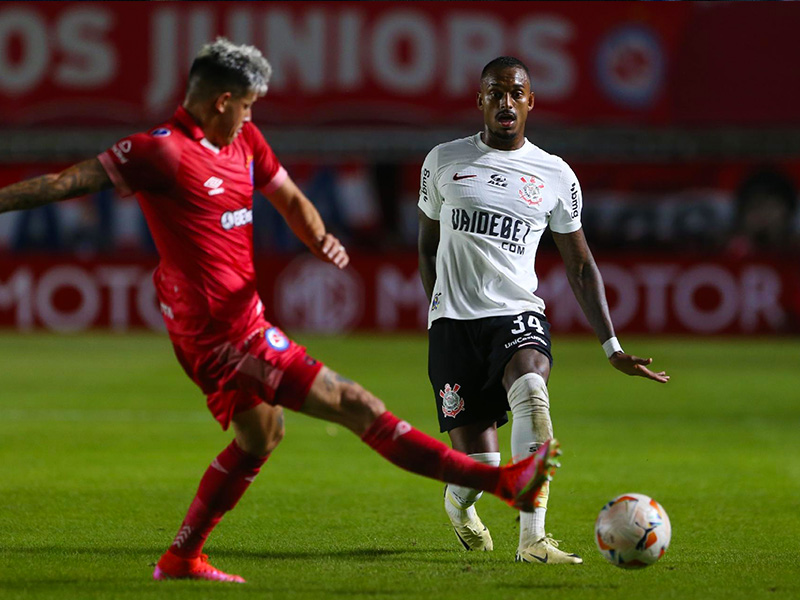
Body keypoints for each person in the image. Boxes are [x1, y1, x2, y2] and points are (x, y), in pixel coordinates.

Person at [0, 40, 561, 583]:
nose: (250, 118)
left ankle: (181, 559)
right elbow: (62, 182)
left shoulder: (242, 141)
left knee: (260, 435)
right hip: (218, 337)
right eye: (245, 107)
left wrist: (319, 237)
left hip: (246, 321)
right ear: (222, 101)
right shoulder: (160, 151)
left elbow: (288, 195)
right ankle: (505, 485)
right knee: (354, 404)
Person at [417, 56, 669, 565]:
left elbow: (580, 265)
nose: (505, 102)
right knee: (482, 464)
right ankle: (459, 505)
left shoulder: (555, 174)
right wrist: (440, 310)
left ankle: (532, 539)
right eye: (495, 93)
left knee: (533, 389)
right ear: (480, 100)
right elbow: (426, 246)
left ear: (531, 101)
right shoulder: (442, 160)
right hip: (453, 328)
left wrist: (611, 345)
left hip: (516, 315)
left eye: (515, 93)